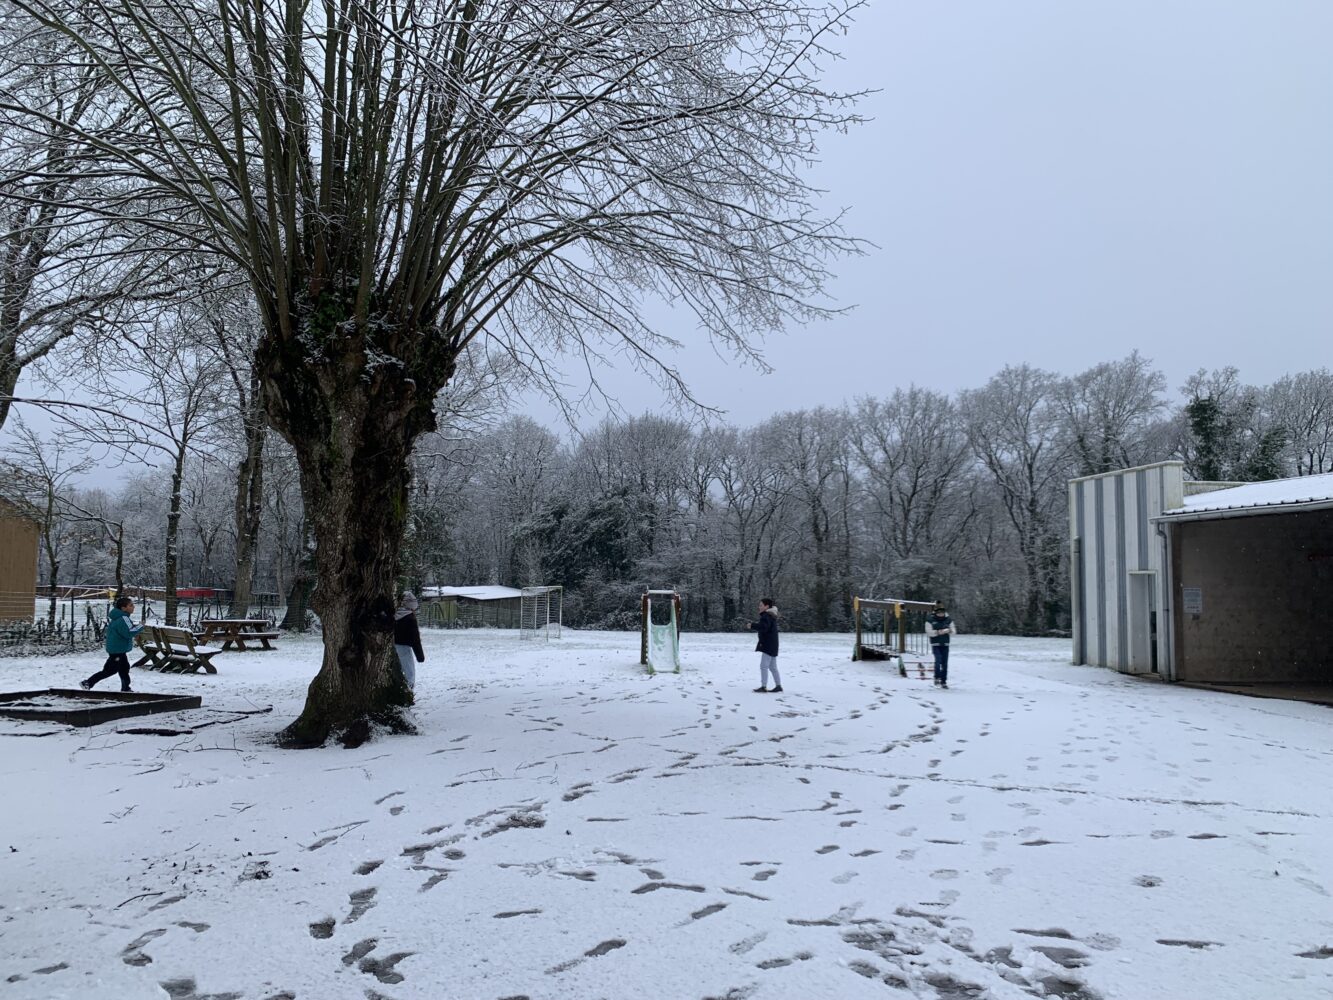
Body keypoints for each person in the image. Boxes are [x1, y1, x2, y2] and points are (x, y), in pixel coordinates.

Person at [81, 596, 145, 692]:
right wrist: (140, 626)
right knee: (111, 670)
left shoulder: (117, 617)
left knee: (123, 669)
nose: (133, 607)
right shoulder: (124, 618)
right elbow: (129, 633)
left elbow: (124, 631)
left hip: (116, 648)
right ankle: (88, 683)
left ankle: (125, 688)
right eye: (131, 605)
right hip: (118, 649)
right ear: (123, 608)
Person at [393, 591, 425, 691]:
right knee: (409, 671)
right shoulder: (410, 618)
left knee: (397, 669)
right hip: (404, 647)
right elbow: (415, 639)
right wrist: (420, 656)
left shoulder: (394, 614)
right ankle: (407, 690)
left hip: (393, 646)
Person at [749, 597, 782, 693]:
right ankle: (778, 686)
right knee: (772, 667)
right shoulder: (771, 615)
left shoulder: (767, 616)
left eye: (760, 605)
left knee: (764, 666)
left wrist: (752, 625)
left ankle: (763, 687)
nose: (759, 607)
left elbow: (764, 628)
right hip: (773, 645)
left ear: (766, 606)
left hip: (768, 645)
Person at [925, 602, 957, 689]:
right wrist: (938, 632)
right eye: (939, 612)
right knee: (938, 660)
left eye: (942, 612)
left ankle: (944, 681)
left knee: (945, 663)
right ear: (935, 612)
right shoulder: (930, 620)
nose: (941, 614)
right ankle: (936, 677)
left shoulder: (948, 620)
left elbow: (954, 632)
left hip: (945, 644)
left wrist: (949, 631)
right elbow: (928, 632)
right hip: (936, 644)